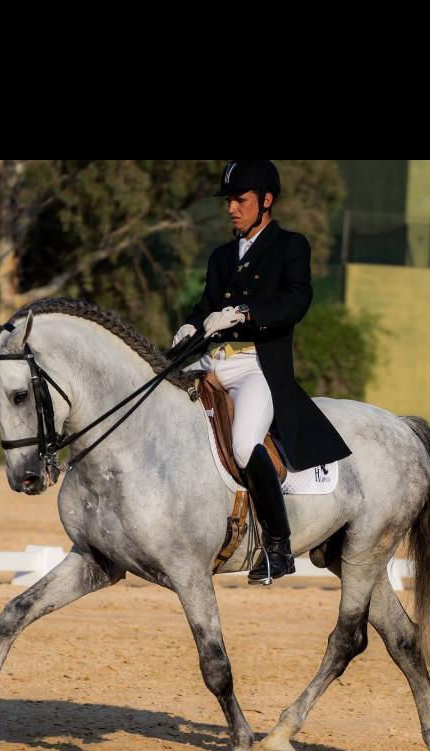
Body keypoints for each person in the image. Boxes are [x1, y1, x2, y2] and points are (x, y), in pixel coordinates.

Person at [173, 159, 352, 583]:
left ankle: (277, 547)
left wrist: (245, 312)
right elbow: (206, 308)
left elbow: (296, 301)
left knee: (243, 443)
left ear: (266, 201)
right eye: (229, 201)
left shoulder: (291, 246)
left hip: (255, 366)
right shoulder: (221, 256)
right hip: (212, 360)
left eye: (240, 200)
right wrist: (191, 325)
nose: (232, 208)